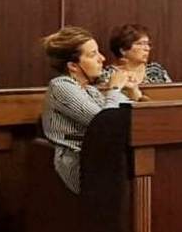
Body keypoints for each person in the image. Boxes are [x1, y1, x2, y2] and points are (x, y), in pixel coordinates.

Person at [41, 26, 142, 194]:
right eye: (93, 54)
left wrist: (133, 93)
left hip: (102, 157)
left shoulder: (90, 90)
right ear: (73, 66)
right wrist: (115, 88)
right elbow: (104, 124)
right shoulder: (61, 86)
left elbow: (126, 120)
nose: (102, 58)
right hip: (79, 162)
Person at [99, 24, 172, 85]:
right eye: (140, 44)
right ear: (123, 50)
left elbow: (171, 93)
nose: (147, 49)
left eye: (148, 44)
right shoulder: (108, 75)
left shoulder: (156, 70)